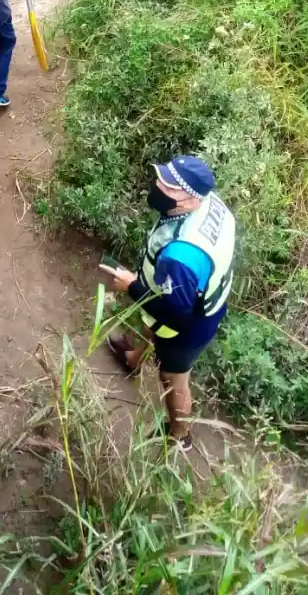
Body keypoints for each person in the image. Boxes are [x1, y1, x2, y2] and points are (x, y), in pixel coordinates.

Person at [100, 156, 236, 452]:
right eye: (161, 179)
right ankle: (133, 360)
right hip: (194, 296)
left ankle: (179, 436)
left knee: (172, 377)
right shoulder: (210, 203)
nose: (158, 186)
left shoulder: (181, 257)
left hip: (190, 323)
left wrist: (132, 286)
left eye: (169, 187)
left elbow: (175, 317)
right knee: (154, 325)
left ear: (188, 201)